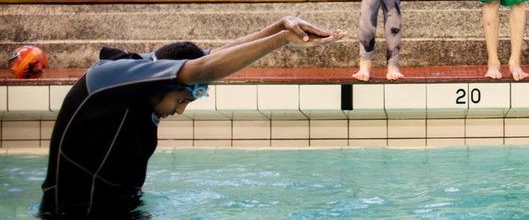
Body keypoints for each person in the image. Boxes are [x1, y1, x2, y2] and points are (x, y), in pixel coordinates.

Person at [40, 17, 346, 219]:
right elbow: (199, 69)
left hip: (122, 210)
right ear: (165, 83)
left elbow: (209, 60)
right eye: (183, 100)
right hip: (75, 214)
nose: (181, 110)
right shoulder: (111, 76)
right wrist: (281, 40)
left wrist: (279, 25)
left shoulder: (149, 75)